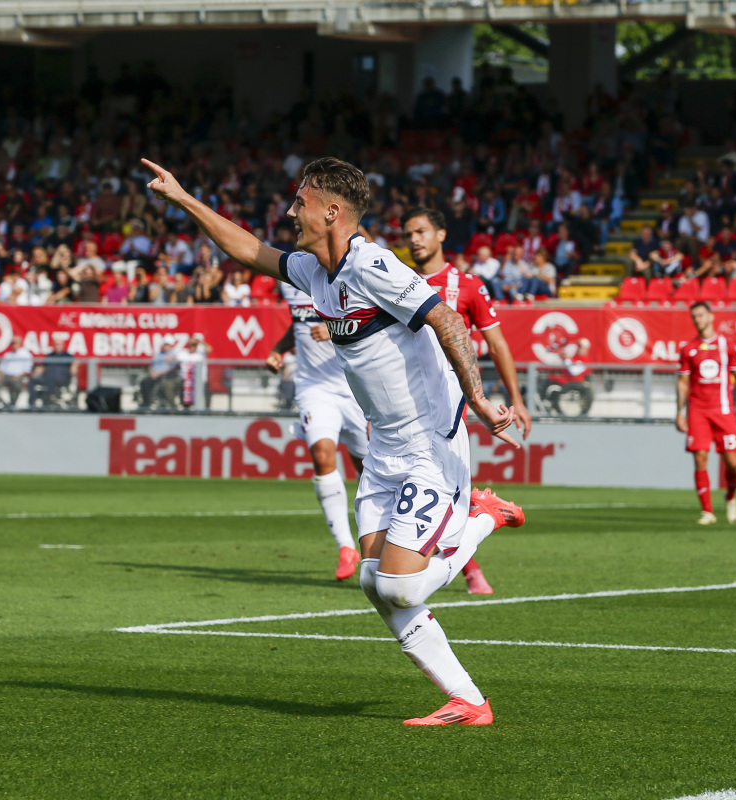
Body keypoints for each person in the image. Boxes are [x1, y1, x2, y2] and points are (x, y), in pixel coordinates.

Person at [144, 155, 524, 726]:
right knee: (376, 583)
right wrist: (184, 199)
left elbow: (446, 319)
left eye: (300, 202)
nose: (291, 210)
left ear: (332, 210)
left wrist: (477, 397)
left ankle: (484, 518)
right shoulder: (316, 270)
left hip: (428, 442)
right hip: (385, 444)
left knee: (398, 586)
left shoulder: (372, 265)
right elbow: (247, 249)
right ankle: (468, 700)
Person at [401, 207, 533, 595]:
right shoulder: (396, 281)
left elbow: (497, 344)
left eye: (421, 231)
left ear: (441, 235)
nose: (414, 240)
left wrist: (516, 399)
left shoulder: (468, 285)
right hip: (403, 404)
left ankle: (468, 561)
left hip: (449, 405)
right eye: (408, 233)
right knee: (412, 494)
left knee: (437, 493)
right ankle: (466, 560)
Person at [265, 283, 369, 582]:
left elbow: (380, 321)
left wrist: (336, 329)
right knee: (322, 455)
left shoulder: (349, 273)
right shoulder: (290, 279)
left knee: (369, 469)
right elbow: (298, 326)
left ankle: (381, 536)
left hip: (356, 388)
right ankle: (346, 547)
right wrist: (278, 350)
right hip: (314, 388)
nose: (301, 234)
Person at [675, 302, 736, 526]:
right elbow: (683, 382)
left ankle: (730, 497)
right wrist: (679, 412)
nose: (697, 319)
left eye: (700, 315)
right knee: (700, 457)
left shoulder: (726, 345)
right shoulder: (689, 349)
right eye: (694, 316)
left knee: (733, 464)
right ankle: (707, 512)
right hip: (698, 410)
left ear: (711, 316)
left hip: (724, 411)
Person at [0, 335, 34, 408]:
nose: (13, 345)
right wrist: (0, 378)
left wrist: (19, 377)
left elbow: (28, 369)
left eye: (15, 343)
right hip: (6, 377)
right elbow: (1, 368)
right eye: (11, 343)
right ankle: (5, 405)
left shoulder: (25, 354)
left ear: (20, 343)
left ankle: (12, 404)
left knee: (17, 386)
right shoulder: (8, 355)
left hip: (18, 377)